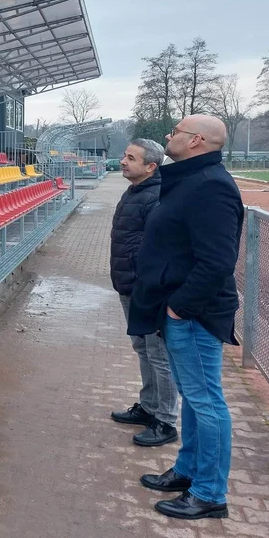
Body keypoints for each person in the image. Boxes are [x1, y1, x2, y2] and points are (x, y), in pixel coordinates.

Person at [131, 115, 243, 520]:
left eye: (175, 131)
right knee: (195, 399)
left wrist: (181, 306)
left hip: (193, 314)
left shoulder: (211, 186)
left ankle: (210, 493)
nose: (168, 135)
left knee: (205, 401)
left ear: (196, 141)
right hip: (179, 310)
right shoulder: (194, 179)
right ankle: (189, 470)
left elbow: (217, 261)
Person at [109, 139, 179, 447]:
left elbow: (161, 248)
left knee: (159, 353)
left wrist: (148, 284)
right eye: (125, 155)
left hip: (147, 288)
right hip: (129, 285)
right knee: (142, 348)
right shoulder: (136, 191)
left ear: (151, 166)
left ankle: (165, 420)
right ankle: (149, 406)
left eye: (131, 158)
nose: (123, 161)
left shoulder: (157, 196)